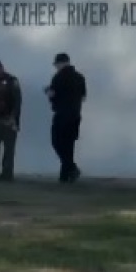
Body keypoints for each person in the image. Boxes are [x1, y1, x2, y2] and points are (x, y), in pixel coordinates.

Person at [45, 52, 87, 183]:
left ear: (61, 63)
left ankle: (71, 168)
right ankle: (65, 175)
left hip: (62, 114)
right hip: (75, 114)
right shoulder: (80, 77)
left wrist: (48, 92)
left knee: (57, 142)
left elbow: (52, 94)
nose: (56, 67)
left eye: (57, 64)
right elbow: (84, 97)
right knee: (69, 145)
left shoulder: (58, 77)